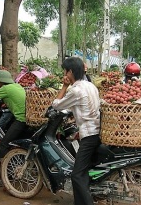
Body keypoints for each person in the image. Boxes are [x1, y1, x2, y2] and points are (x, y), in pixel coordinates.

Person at [52, 57, 101, 205]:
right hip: (97, 130)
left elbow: (57, 105)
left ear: (70, 71)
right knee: (83, 171)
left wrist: (63, 86)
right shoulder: (90, 85)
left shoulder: (75, 90)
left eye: (65, 71)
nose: (64, 74)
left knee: (77, 175)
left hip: (89, 134)